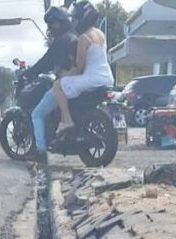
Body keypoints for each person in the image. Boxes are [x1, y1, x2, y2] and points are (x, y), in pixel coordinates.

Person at [25, 6, 78, 163]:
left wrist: (29, 72)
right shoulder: (74, 36)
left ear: (59, 23)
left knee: (37, 114)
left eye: (52, 24)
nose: (50, 28)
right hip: (79, 83)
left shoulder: (62, 40)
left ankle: (40, 152)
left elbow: (46, 61)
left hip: (66, 84)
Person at [53, 1, 114, 136]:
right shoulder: (100, 34)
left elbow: (78, 67)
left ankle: (66, 120)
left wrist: (63, 76)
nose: (75, 22)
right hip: (107, 78)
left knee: (57, 85)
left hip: (92, 79)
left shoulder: (83, 38)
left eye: (76, 18)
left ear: (82, 18)